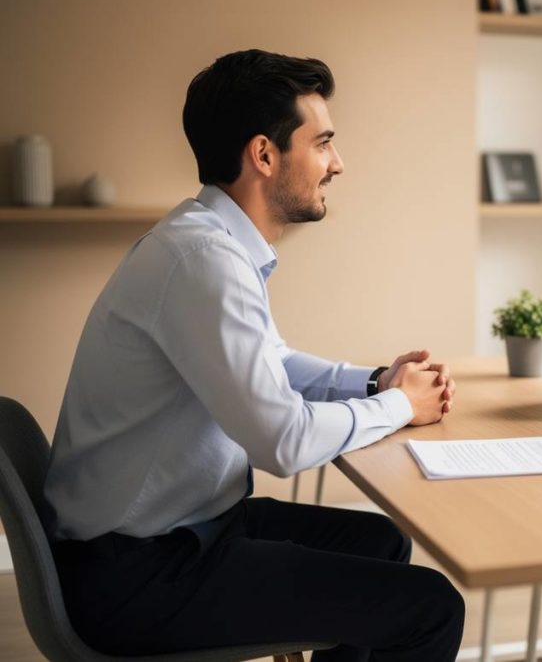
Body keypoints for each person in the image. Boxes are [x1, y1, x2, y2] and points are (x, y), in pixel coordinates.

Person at [43, 50, 465, 661]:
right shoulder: (204, 261)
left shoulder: (207, 242)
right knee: (431, 607)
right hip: (136, 574)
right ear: (264, 155)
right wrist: (401, 405)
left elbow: (273, 361)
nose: (337, 163)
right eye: (323, 143)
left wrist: (376, 382)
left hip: (178, 532)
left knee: (380, 541)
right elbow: (282, 442)